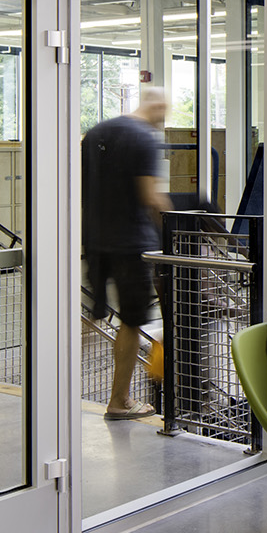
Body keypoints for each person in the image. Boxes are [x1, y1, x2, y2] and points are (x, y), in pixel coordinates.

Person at [82, 86, 171, 420]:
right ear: (158, 107)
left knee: (93, 316)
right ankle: (119, 400)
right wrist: (172, 226)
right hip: (131, 243)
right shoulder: (145, 138)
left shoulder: (95, 133)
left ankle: (52, 385)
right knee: (131, 322)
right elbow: (150, 196)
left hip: (95, 239)